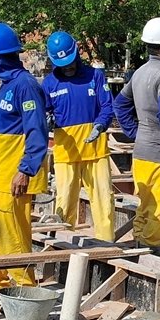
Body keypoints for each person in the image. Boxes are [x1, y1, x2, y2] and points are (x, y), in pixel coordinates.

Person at [0, 22, 49, 300]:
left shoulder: (25, 86)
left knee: (14, 235)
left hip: (13, 175)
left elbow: (37, 130)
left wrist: (25, 170)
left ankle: (24, 290)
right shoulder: (7, 85)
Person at [114, 17, 160, 255]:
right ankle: (151, 261)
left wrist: (135, 132)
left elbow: (120, 104)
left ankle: (138, 255)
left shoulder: (139, 73)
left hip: (141, 154)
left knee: (145, 207)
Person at [41, 31, 115, 242]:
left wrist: (100, 125)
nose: (68, 67)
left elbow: (107, 106)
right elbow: (43, 112)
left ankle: (106, 245)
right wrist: (46, 119)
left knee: (103, 200)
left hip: (96, 150)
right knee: (64, 201)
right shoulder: (49, 84)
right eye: (63, 64)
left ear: (77, 53)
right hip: (67, 152)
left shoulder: (95, 76)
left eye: (70, 62)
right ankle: (62, 245)